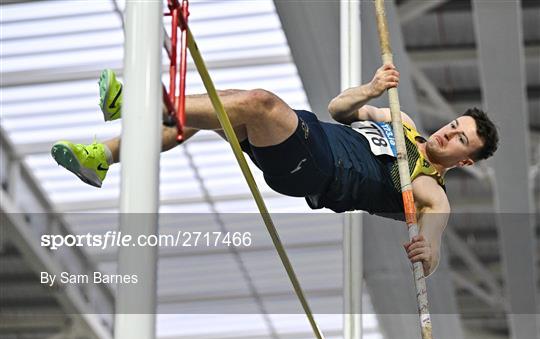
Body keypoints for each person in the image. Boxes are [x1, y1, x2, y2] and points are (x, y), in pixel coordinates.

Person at [51, 65, 499, 276]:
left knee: (258, 103)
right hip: (311, 134)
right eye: (454, 125)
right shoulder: (402, 121)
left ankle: (135, 103)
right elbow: (338, 109)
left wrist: (429, 251)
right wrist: (371, 90)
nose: (448, 134)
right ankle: (102, 157)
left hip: (317, 169)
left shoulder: (430, 191)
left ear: (465, 161)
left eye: (461, 140)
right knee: (214, 111)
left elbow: (435, 238)